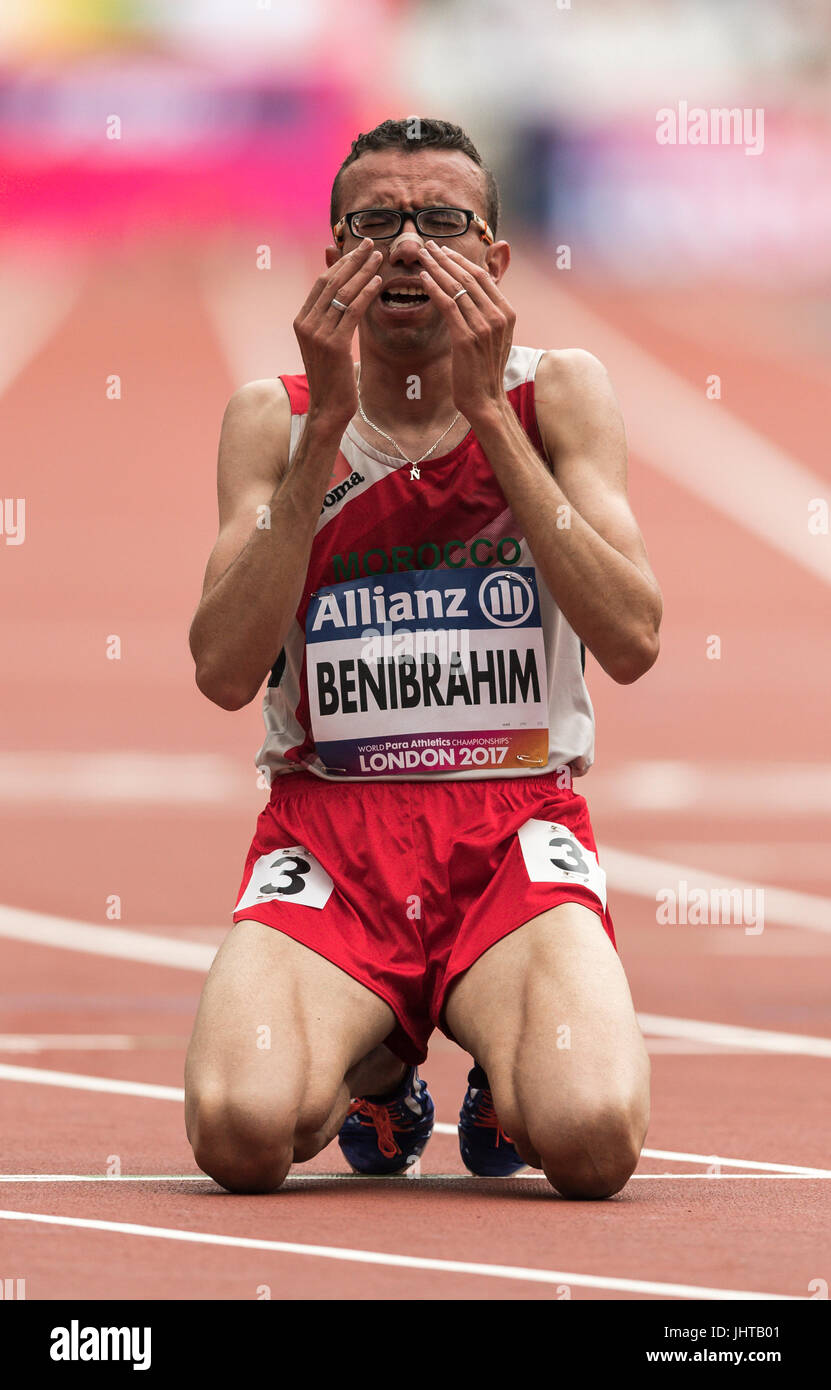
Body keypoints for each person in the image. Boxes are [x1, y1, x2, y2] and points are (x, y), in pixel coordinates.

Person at [184, 117, 661, 1197]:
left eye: (442, 222)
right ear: (332, 259)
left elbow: (632, 636)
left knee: (590, 1137)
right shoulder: (276, 417)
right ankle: (382, 1063)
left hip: (513, 830)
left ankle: (505, 1051)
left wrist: (489, 412)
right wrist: (325, 440)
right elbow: (221, 669)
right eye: (375, 223)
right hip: (331, 835)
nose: (407, 247)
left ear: (495, 261)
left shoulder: (558, 396)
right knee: (238, 1130)